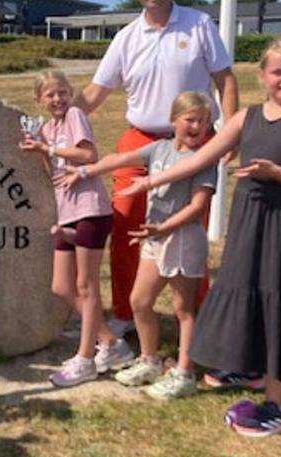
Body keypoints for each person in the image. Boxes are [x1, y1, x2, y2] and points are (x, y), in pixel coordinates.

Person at [119, 38, 281, 435]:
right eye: (278, 72)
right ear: (262, 75)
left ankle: (278, 404)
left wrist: (277, 173)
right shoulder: (245, 118)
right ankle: (251, 368)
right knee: (240, 289)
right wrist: (149, 182)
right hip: (248, 219)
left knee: (275, 296)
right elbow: (200, 159)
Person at [72, 0, 238, 337]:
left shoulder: (199, 24)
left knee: (189, 230)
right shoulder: (126, 37)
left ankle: (200, 320)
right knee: (128, 219)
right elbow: (98, 91)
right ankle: (126, 314)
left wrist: (230, 131)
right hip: (140, 139)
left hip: (193, 142)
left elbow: (225, 80)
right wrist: (61, 122)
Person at [64, 92, 217, 399]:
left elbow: (198, 207)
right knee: (139, 301)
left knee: (183, 307)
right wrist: (83, 172)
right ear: (174, 121)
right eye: (190, 119)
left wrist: (163, 227)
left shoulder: (204, 159)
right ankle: (149, 360)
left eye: (203, 120)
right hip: (155, 237)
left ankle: (184, 374)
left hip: (182, 239)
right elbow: (120, 160)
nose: (197, 126)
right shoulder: (158, 149)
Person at [19, 70, 134, 388]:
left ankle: (85, 359)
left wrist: (51, 150)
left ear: (70, 94)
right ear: (39, 100)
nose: (57, 100)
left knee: (86, 286)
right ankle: (110, 343)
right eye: (50, 95)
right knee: (61, 286)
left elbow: (88, 154)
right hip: (67, 213)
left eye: (62, 93)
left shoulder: (74, 116)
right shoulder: (47, 127)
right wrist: (39, 147)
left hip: (90, 210)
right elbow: (52, 171)